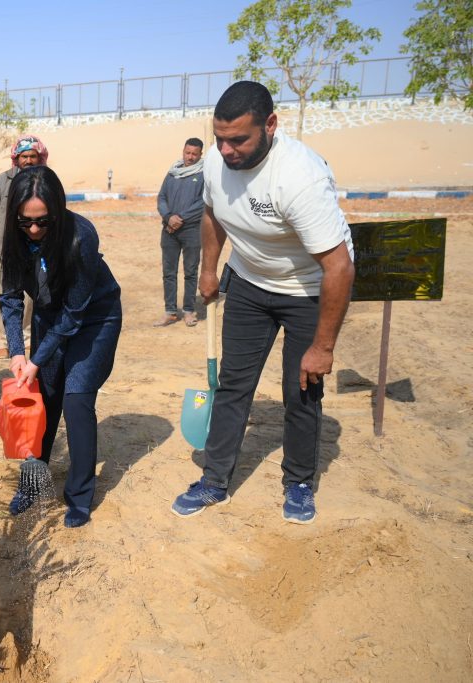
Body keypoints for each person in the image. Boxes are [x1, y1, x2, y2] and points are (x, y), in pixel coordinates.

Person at [170, 81, 355, 524]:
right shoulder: (215, 162)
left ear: (270, 125)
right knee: (233, 384)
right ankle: (214, 481)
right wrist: (210, 269)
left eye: (239, 140)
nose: (228, 150)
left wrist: (323, 347)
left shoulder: (299, 177)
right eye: (221, 138)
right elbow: (213, 212)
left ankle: (299, 482)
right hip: (251, 284)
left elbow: (339, 268)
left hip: (308, 291)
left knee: (301, 391)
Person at [0, 166, 122, 528]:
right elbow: (9, 299)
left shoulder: (81, 237)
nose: (34, 230)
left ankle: (79, 497)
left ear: (58, 210)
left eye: (43, 221)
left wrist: (36, 359)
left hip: (94, 319)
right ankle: (33, 485)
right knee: (44, 398)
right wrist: (18, 353)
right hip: (50, 317)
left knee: (76, 399)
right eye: (26, 222)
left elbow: (74, 313)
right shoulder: (12, 237)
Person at [0, 135, 44, 358]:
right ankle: (0, 341)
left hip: (30, 250)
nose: (28, 160)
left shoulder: (44, 182)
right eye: (24, 156)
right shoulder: (2, 181)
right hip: (1, 249)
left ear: (39, 158)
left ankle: (25, 338)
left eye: (32, 156)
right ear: (16, 158)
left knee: (27, 298)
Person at [155, 137, 205, 328]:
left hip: (192, 230)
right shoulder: (172, 173)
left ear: (200, 155)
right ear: (183, 151)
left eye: (194, 154)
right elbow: (162, 197)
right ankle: (170, 312)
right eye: (187, 152)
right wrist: (169, 217)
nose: (190, 157)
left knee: (191, 272)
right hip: (168, 230)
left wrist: (179, 218)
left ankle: (189, 311)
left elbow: (203, 203)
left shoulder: (203, 175)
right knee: (169, 272)